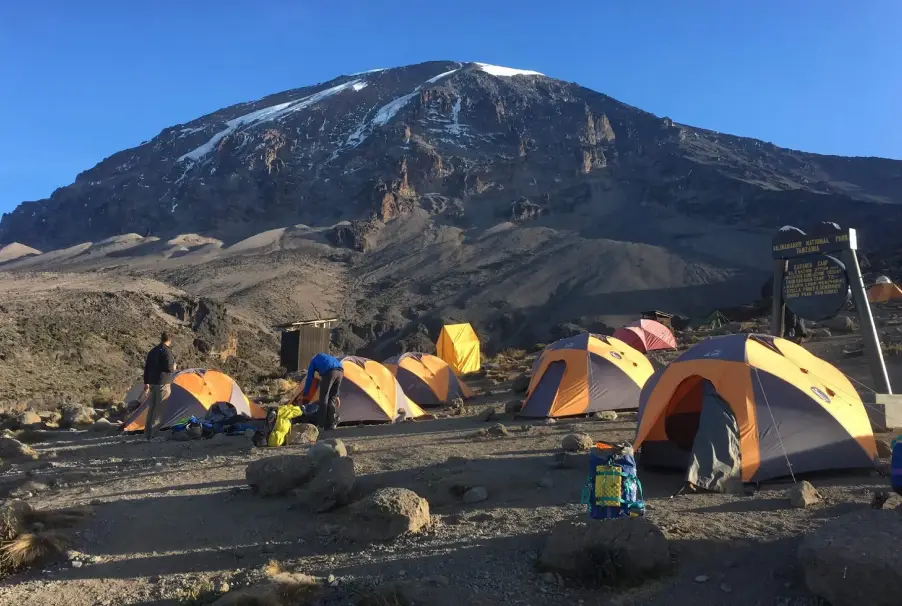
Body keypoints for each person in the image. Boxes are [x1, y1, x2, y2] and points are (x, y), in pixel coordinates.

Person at [142, 332, 177, 440]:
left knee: (151, 409)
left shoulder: (152, 351)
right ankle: (154, 435)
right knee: (159, 410)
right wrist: (174, 367)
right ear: (169, 340)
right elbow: (169, 368)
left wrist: (146, 382)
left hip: (152, 383)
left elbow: (146, 367)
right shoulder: (167, 351)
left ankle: (147, 434)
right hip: (163, 383)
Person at [302, 352, 343, 430]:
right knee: (332, 399)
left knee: (323, 399)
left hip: (330, 372)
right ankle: (330, 424)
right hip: (340, 372)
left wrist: (306, 392)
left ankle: (321, 424)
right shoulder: (327, 357)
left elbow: (309, 378)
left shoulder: (313, 361)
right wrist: (337, 395)